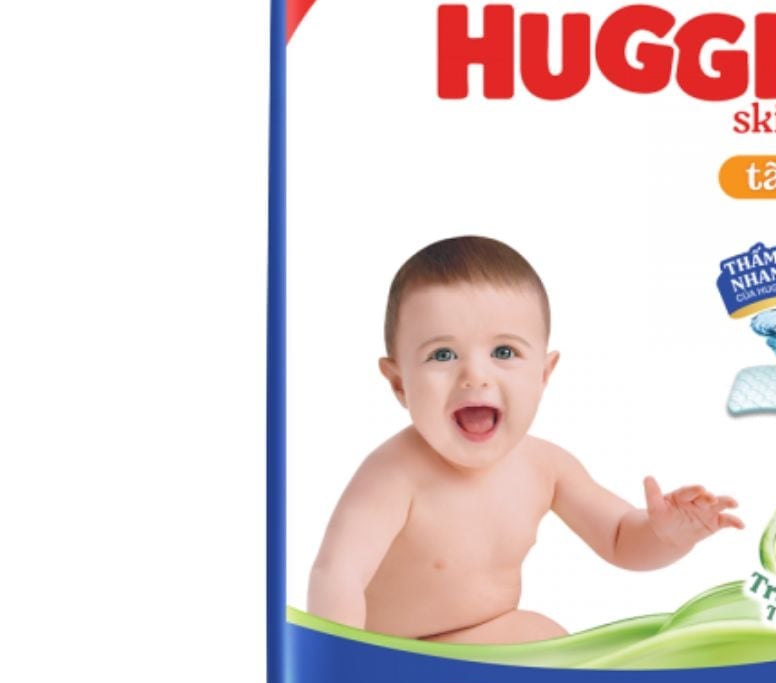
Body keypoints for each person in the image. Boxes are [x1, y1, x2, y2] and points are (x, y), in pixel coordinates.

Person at [307, 236, 743, 643]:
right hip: (398, 656)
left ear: (543, 374)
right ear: (399, 383)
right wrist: (342, 664)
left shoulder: (547, 467)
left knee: (542, 634)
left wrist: (666, 535)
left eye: (504, 352)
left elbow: (618, 538)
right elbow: (337, 575)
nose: (475, 376)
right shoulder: (394, 475)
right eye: (443, 354)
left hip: (484, 640)